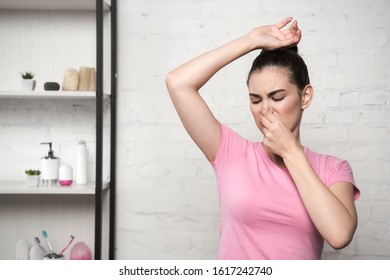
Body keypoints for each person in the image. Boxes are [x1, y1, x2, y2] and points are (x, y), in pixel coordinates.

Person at [165, 17, 360, 260]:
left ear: (305, 97)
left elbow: (340, 235)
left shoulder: (333, 168)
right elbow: (178, 83)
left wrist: (290, 152)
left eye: (277, 97)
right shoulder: (231, 152)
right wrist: (251, 41)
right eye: (255, 100)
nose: (264, 110)